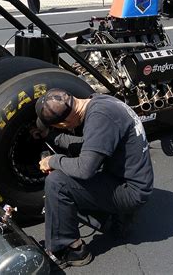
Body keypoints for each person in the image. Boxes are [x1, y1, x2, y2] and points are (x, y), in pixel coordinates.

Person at [33, 88, 154, 269]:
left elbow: (85, 169)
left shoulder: (101, 118)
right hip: (123, 178)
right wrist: (51, 136)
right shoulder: (100, 102)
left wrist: (53, 160)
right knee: (67, 173)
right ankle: (113, 219)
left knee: (57, 183)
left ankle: (72, 250)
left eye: (57, 127)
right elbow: (89, 144)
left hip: (130, 191)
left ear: (65, 123)